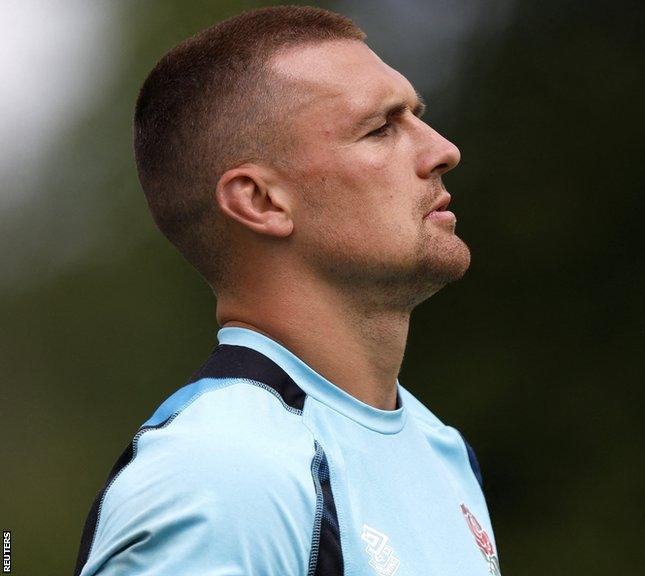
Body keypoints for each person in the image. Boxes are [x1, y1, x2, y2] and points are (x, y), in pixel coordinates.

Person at [73, 6, 500, 576]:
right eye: (380, 129)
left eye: (417, 117)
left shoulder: (443, 451)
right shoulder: (221, 474)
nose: (443, 150)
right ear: (261, 202)